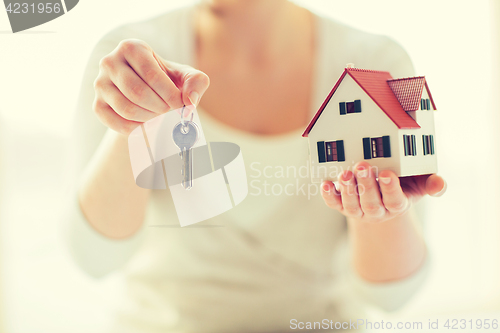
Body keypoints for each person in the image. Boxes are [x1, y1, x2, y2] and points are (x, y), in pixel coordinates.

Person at [65, 0, 446, 332]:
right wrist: (133, 123)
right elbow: (94, 258)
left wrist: (378, 213)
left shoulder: (375, 64)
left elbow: (394, 295)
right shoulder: (128, 64)